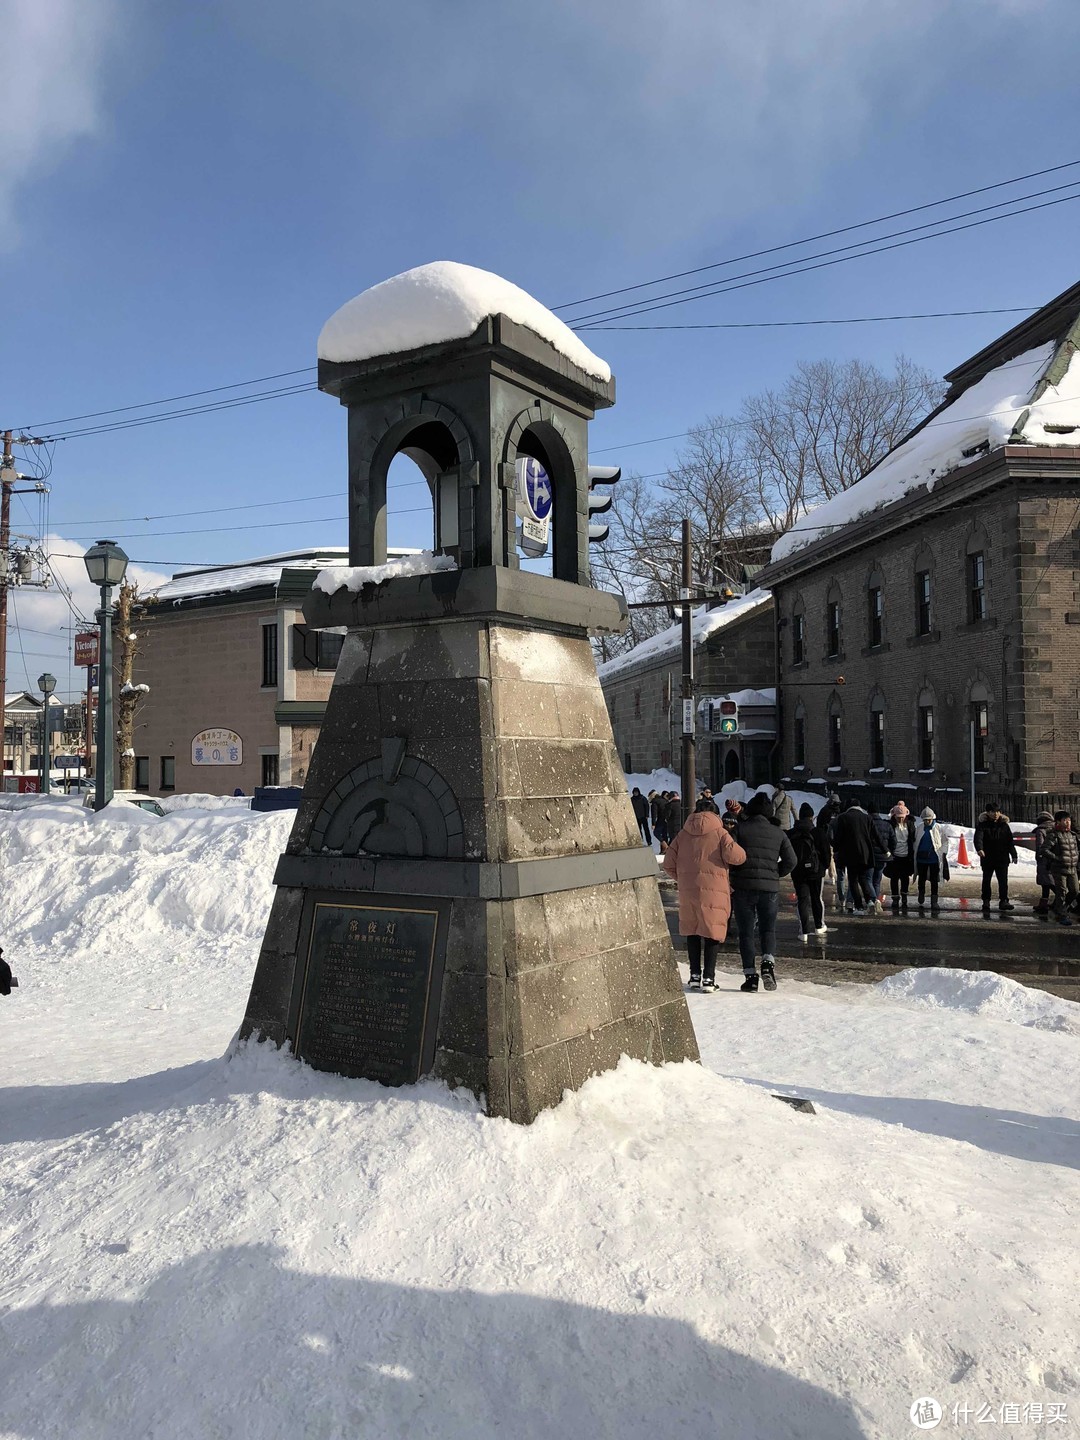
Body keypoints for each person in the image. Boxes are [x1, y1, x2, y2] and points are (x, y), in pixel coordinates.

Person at [663, 798, 747, 991]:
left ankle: (694, 976)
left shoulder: (683, 834)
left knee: (692, 931)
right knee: (712, 932)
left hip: (688, 890)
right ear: (715, 814)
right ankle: (709, 978)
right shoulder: (720, 833)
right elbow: (738, 856)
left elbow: (668, 863)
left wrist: (683, 877)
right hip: (715, 889)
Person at [729, 791, 797, 991]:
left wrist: (734, 874)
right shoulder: (779, 833)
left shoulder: (740, 830)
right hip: (769, 889)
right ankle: (768, 963)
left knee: (746, 932)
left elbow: (729, 854)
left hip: (743, 887)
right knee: (768, 929)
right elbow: (792, 861)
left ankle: (750, 977)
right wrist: (775, 873)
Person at [790, 802, 830, 941]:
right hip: (816, 871)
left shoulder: (793, 832)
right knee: (816, 898)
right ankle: (819, 926)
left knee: (802, 900)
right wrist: (823, 868)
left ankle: (804, 932)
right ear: (812, 817)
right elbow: (826, 853)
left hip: (798, 872)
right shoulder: (818, 832)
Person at [831, 800, 875, 914]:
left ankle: (859, 906)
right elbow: (875, 835)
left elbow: (839, 836)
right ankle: (870, 901)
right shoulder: (867, 818)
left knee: (853, 880)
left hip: (850, 854)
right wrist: (885, 850)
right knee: (863, 878)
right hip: (865, 854)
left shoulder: (843, 818)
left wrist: (835, 848)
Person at [974, 800, 1018, 912]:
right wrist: (979, 849)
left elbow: (1009, 841)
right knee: (986, 880)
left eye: (997, 811)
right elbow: (978, 838)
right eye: (993, 812)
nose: (995, 814)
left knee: (1003, 881)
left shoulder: (1004, 825)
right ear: (987, 813)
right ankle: (986, 901)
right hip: (987, 857)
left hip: (1002, 858)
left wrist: (1014, 854)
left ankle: (1004, 901)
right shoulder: (982, 825)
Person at [1042, 812, 1079, 925]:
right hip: (1059, 868)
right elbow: (1044, 850)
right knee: (1061, 891)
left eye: (1069, 820)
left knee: (1074, 891)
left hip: (1072, 868)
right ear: (1058, 822)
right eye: (1064, 820)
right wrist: (1057, 858)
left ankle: (1061, 908)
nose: (1067, 823)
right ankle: (1061, 915)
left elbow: (1075, 850)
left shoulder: (1072, 835)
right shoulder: (1054, 835)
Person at [912, 806, 946, 908]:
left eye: (929, 820)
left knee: (934, 880)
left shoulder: (939, 828)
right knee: (921, 878)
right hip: (921, 859)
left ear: (933, 818)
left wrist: (942, 852)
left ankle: (934, 900)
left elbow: (945, 841)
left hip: (934, 859)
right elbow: (915, 841)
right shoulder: (919, 828)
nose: (927, 822)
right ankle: (921, 893)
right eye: (925, 820)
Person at [885, 802, 917, 910]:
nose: (900, 820)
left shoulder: (910, 825)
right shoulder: (890, 825)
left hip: (906, 856)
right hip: (894, 855)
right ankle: (895, 898)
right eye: (898, 817)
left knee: (905, 877)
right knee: (894, 878)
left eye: (902, 817)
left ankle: (904, 897)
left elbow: (913, 839)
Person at [816, 791, 843, 899]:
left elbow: (819, 824)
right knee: (836, 855)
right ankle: (837, 874)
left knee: (830, 855)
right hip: (838, 837)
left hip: (827, 837)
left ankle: (832, 875)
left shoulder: (824, 810)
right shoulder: (840, 812)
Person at [1032, 810, 1056, 915]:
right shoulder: (1055, 828)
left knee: (1048, 883)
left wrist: (1039, 858)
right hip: (1055, 858)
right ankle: (1045, 904)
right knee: (1050, 882)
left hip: (1044, 860)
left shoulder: (1040, 830)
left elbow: (1040, 846)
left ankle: (1070, 901)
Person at [869, 810, 891, 914]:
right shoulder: (886, 824)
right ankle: (876, 899)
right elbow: (893, 840)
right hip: (882, 856)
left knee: (868, 879)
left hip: (870, 856)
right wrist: (889, 851)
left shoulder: (868, 824)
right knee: (877, 881)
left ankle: (872, 900)